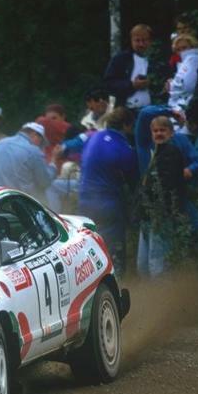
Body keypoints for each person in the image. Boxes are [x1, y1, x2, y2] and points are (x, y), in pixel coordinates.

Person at [74, 108, 139, 275]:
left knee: (90, 245)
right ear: (126, 125)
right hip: (108, 203)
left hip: (84, 200)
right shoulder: (124, 148)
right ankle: (118, 282)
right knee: (113, 246)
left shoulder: (92, 137)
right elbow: (134, 183)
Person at [137, 116, 188, 278]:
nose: (159, 134)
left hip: (161, 215)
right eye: (155, 131)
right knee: (142, 265)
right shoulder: (155, 153)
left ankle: (162, 298)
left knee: (157, 263)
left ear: (171, 133)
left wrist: (162, 211)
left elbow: (169, 185)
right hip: (146, 215)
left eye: (163, 130)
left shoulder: (172, 153)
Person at [104, 24, 167, 112]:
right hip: (126, 111)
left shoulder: (158, 61)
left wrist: (151, 83)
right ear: (131, 41)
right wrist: (132, 85)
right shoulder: (121, 59)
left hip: (153, 110)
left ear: (150, 41)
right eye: (137, 41)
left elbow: (164, 84)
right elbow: (108, 84)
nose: (141, 44)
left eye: (144, 40)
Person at [0, 122, 56, 200]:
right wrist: (53, 163)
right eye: (41, 142)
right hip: (21, 202)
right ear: (34, 134)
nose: (40, 146)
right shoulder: (33, 151)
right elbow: (44, 183)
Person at [167, 34, 198, 114]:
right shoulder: (182, 63)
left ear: (192, 46)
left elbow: (189, 86)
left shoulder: (193, 59)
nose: (181, 52)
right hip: (178, 106)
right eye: (178, 49)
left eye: (184, 48)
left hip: (187, 106)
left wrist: (173, 85)